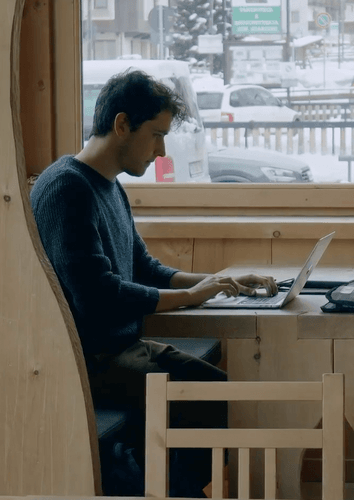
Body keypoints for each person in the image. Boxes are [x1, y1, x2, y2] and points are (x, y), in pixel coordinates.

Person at [30, 69, 277, 497]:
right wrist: (188, 296)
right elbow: (98, 296)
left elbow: (142, 267)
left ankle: (168, 486)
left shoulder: (107, 186)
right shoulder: (67, 189)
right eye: (156, 135)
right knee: (199, 400)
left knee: (218, 392)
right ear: (122, 124)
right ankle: (164, 487)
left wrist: (219, 281)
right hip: (85, 360)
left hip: (120, 347)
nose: (161, 151)